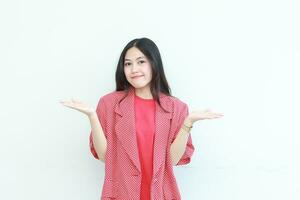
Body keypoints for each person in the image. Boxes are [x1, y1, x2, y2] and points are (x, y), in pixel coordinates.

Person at [60, 37, 223, 200]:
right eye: (128, 63)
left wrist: (188, 123)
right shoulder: (109, 104)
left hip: (161, 194)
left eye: (141, 62)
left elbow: (172, 160)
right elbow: (104, 156)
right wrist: (92, 116)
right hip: (122, 193)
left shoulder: (176, 107)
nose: (133, 69)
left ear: (154, 63)